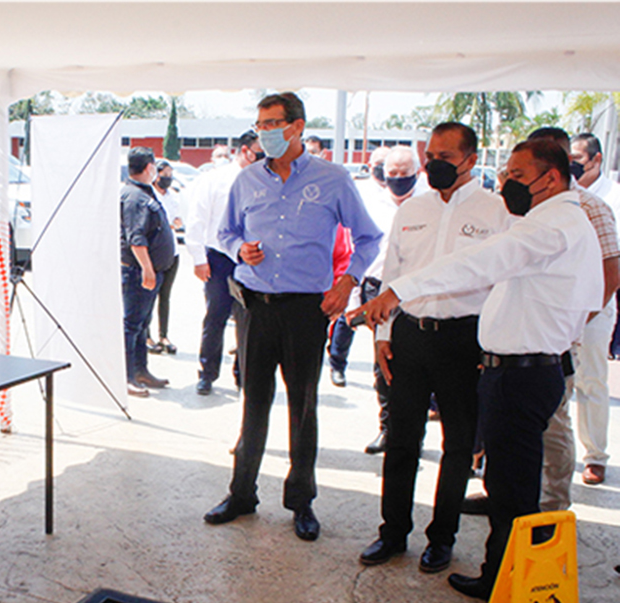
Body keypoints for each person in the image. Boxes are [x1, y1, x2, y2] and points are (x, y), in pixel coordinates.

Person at [352, 139, 602, 603]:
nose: (506, 179)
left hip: (521, 373)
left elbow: (483, 261)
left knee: (511, 498)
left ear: (549, 179)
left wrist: (400, 290)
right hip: (524, 368)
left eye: (515, 172)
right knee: (504, 489)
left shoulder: (553, 226)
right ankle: (494, 579)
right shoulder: (560, 223)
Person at [203, 92, 382, 541]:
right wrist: (237, 249)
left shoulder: (333, 179)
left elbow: (368, 238)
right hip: (255, 307)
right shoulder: (246, 180)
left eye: (273, 123)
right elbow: (224, 233)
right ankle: (242, 493)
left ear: (297, 126)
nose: (264, 132)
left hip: (306, 309)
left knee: (303, 405)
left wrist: (347, 281)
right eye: (259, 124)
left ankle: (301, 501)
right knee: (254, 401)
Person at [357, 124, 511, 574]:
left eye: (446, 156)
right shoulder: (412, 210)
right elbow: (391, 275)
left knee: (458, 444)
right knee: (402, 438)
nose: (434, 164)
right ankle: (392, 532)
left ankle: (441, 537)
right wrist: (383, 337)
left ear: (469, 159)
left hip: (464, 339)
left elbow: (501, 281)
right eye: (431, 155)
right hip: (410, 336)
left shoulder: (495, 210)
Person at [462, 127, 620, 515]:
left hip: (572, 324)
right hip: (529, 328)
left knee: (556, 421)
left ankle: (551, 505)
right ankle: (505, 495)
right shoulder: (523, 208)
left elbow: (610, 274)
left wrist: (568, 328)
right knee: (517, 432)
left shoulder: (588, 208)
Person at [328, 146, 420, 454]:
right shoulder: (369, 201)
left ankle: (411, 436)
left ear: (416, 173)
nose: (395, 179)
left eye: (403, 174)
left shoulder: (429, 204)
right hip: (376, 289)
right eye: (390, 173)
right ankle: (387, 428)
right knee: (384, 362)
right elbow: (359, 249)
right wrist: (354, 295)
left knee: (412, 365)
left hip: (415, 291)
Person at [184, 130, 265, 395]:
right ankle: (207, 373)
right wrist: (198, 258)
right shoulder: (215, 180)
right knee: (215, 317)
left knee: (249, 319)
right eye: (259, 154)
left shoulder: (266, 179)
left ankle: (244, 374)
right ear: (244, 151)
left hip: (251, 258)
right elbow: (197, 219)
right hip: (218, 258)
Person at [569, 132, 620, 485]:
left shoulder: (607, 200)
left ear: (596, 160)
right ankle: (558, 454)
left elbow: (611, 270)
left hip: (596, 305)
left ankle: (595, 455)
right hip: (559, 305)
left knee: (591, 379)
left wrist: (587, 312)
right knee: (558, 381)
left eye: (577, 160)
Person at [120, 146, 176, 398]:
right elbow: (136, 238)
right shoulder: (134, 197)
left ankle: (141, 370)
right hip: (137, 272)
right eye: (154, 165)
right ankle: (127, 376)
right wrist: (147, 269)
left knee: (142, 324)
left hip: (150, 270)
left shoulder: (144, 192)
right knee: (132, 325)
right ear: (148, 167)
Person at [146, 159, 182, 356]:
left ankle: (164, 335)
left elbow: (177, 220)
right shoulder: (150, 196)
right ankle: (147, 335)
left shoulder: (173, 196)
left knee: (165, 296)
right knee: (149, 296)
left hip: (173, 251)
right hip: (155, 252)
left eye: (170, 174)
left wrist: (175, 223)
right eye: (164, 174)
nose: (167, 178)